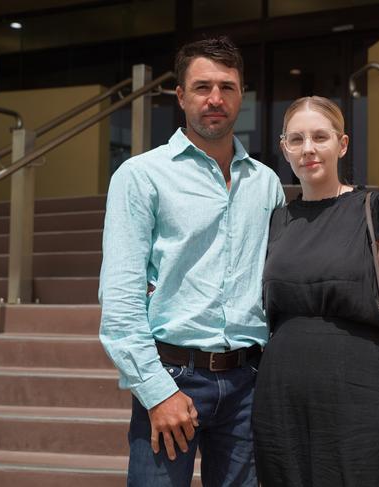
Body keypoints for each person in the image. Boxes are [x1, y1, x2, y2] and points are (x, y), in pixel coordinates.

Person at [99, 37, 284, 487]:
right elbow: (120, 299)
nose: (215, 99)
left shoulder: (266, 183)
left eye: (228, 87)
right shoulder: (141, 176)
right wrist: (157, 392)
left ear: (243, 95)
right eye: (202, 87)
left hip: (248, 383)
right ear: (180, 96)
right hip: (170, 378)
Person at [252, 96, 379, 487]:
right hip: (281, 401)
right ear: (284, 148)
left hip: (361, 397)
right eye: (296, 140)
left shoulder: (375, 210)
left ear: (342, 144)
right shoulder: (280, 220)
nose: (308, 149)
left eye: (319, 137)